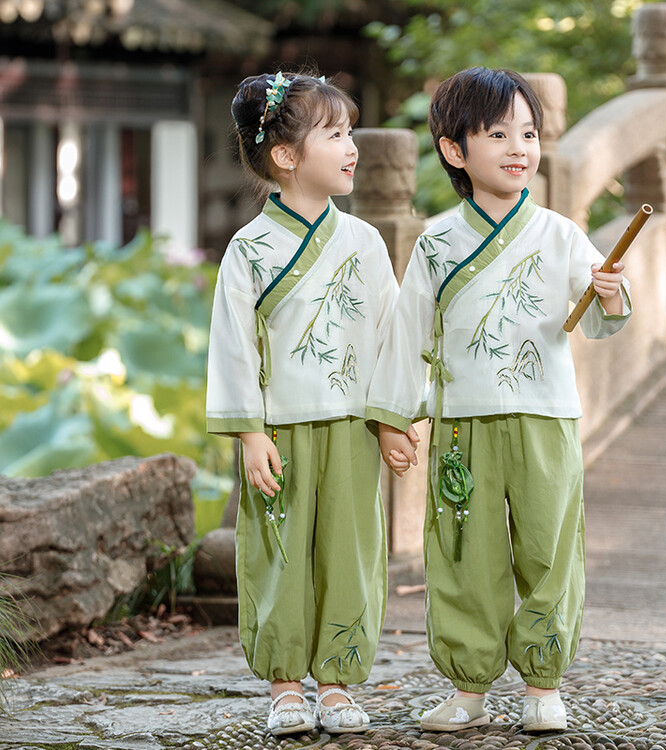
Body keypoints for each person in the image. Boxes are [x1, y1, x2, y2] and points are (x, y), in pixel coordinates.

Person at [367, 67, 632, 734]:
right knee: (464, 554)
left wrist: (607, 293)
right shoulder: (435, 241)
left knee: (549, 550)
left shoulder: (561, 234)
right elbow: (407, 335)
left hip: (546, 417)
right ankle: (469, 685)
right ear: (455, 150)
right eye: (498, 133)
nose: (520, 147)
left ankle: (544, 683)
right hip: (462, 426)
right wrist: (396, 418)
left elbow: (601, 316)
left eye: (529, 132)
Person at [206, 70, 398, 737]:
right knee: (279, 549)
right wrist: (250, 432)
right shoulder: (250, 249)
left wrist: (394, 416)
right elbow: (234, 347)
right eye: (336, 134)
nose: (352, 148)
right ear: (286, 157)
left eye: (350, 133)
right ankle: (287, 683)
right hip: (279, 428)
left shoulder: (365, 243)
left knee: (350, 547)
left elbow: (389, 336)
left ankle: (338, 682)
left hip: (349, 423)